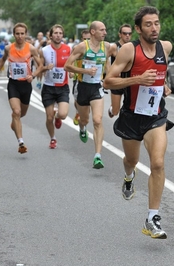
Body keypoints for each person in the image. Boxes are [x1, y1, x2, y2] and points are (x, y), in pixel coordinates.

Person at [104, 6, 174, 239]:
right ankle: (128, 176)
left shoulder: (166, 47)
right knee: (131, 160)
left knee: (157, 163)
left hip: (155, 115)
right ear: (137, 28)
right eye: (148, 24)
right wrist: (138, 79)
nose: (154, 28)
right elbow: (108, 82)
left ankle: (151, 218)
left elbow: (161, 71)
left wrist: (162, 85)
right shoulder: (128, 50)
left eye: (156, 23)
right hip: (132, 116)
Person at [0, 22, 43, 154]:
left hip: (26, 85)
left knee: (22, 114)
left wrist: (34, 75)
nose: (20, 36)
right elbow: (2, 60)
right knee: (17, 111)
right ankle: (21, 143)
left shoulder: (31, 48)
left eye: (22, 34)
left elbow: (40, 65)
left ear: (26, 34)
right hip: (13, 84)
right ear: (14, 35)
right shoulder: (9, 48)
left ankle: (14, 122)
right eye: (17, 34)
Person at [64, 21, 110, 169]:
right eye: (102, 30)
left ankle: (97, 156)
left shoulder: (106, 47)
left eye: (105, 30)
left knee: (97, 120)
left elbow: (107, 64)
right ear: (92, 32)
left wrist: (109, 79)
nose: (105, 32)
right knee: (84, 119)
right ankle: (82, 128)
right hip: (83, 87)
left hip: (97, 87)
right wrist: (85, 71)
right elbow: (67, 66)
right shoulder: (82, 47)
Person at [37, 24, 71, 149]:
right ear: (51, 36)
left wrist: (72, 71)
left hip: (62, 87)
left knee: (63, 114)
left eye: (60, 33)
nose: (58, 35)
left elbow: (71, 63)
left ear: (63, 35)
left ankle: (58, 118)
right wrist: (46, 67)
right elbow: (39, 68)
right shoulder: (44, 50)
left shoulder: (68, 49)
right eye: (55, 33)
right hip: (49, 87)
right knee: (49, 116)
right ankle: (53, 138)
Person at [108, 23, 132, 118]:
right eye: (125, 33)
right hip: (116, 81)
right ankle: (112, 108)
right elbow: (104, 58)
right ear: (120, 34)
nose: (127, 35)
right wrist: (109, 71)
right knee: (115, 111)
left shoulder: (132, 47)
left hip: (128, 81)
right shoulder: (114, 47)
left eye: (129, 34)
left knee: (131, 109)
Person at [71, 29, 91, 126]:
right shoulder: (77, 48)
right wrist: (71, 72)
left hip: (91, 79)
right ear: (82, 38)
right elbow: (69, 61)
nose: (87, 40)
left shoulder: (94, 48)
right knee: (77, 101)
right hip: (78, 78)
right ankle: (78, 111)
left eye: (89, 38)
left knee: (89, 105)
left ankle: (83, 118)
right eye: (85, 38)